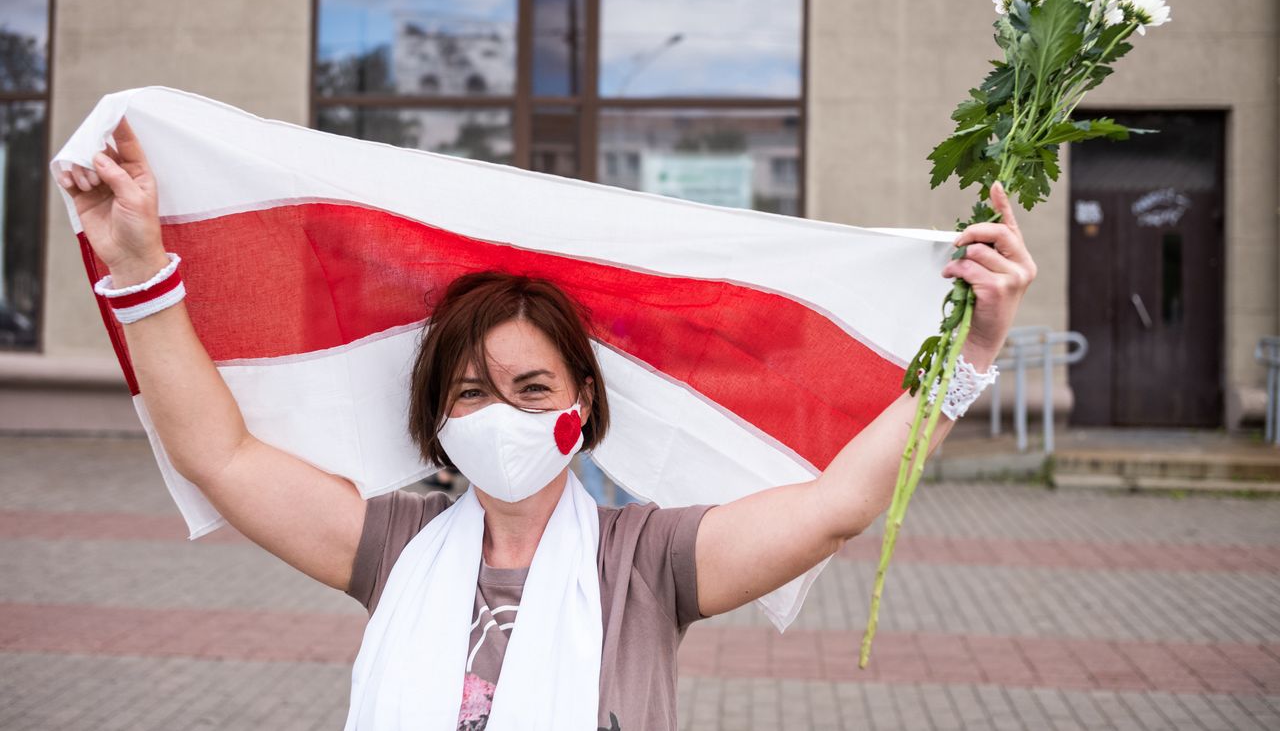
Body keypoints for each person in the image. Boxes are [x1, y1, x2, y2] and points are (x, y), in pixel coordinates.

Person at [56, 117, 1036, 730]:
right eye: (470, 392)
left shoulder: (648, 562)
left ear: (580, 409)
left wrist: (967, 357)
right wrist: (141, 271)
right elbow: (216, 454)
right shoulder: (388, 545)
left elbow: (831, 506)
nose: (500, 415)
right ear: (436, 422)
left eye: (531, 389)